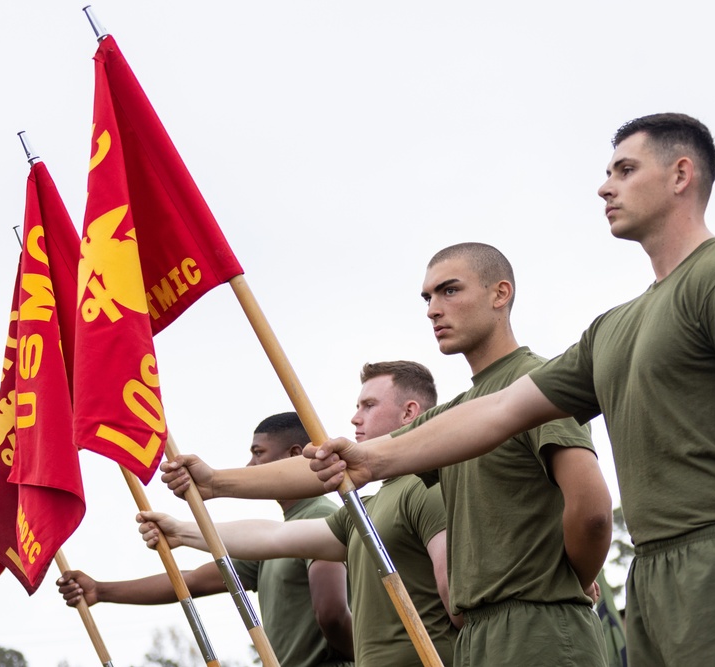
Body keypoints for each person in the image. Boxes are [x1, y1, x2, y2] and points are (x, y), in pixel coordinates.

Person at [307, 113, 715, 667]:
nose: (605, 186)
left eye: (626, 169)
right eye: (607, 172)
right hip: (651, 576)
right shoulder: (611, 329)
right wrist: (372, 458)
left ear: (681, 175)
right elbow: (499, 411)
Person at [159, 243, 613, 667]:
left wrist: (560, 585)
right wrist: (216, 482)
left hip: (540, 632)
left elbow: (592, 513)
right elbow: (347, 463)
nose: (434, 308)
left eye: (450, 290)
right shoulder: (459, 413)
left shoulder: (537, 384)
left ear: (500, 293)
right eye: (427, 297)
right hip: (482, 637)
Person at [141, 361, 460, 666]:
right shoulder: (364, 508)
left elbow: (456, 602)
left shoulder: (429, 489)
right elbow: (276, 537)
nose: (355, 418)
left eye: (369, 405)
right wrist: (182, 530)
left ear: (409, 412)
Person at [57, 412, 354, 667]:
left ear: (293, 454)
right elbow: (194, 582)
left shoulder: (319, 517)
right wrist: (100, 590)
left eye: (258, 452)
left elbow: (331, 614)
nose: (250, 465)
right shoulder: (276, 538)